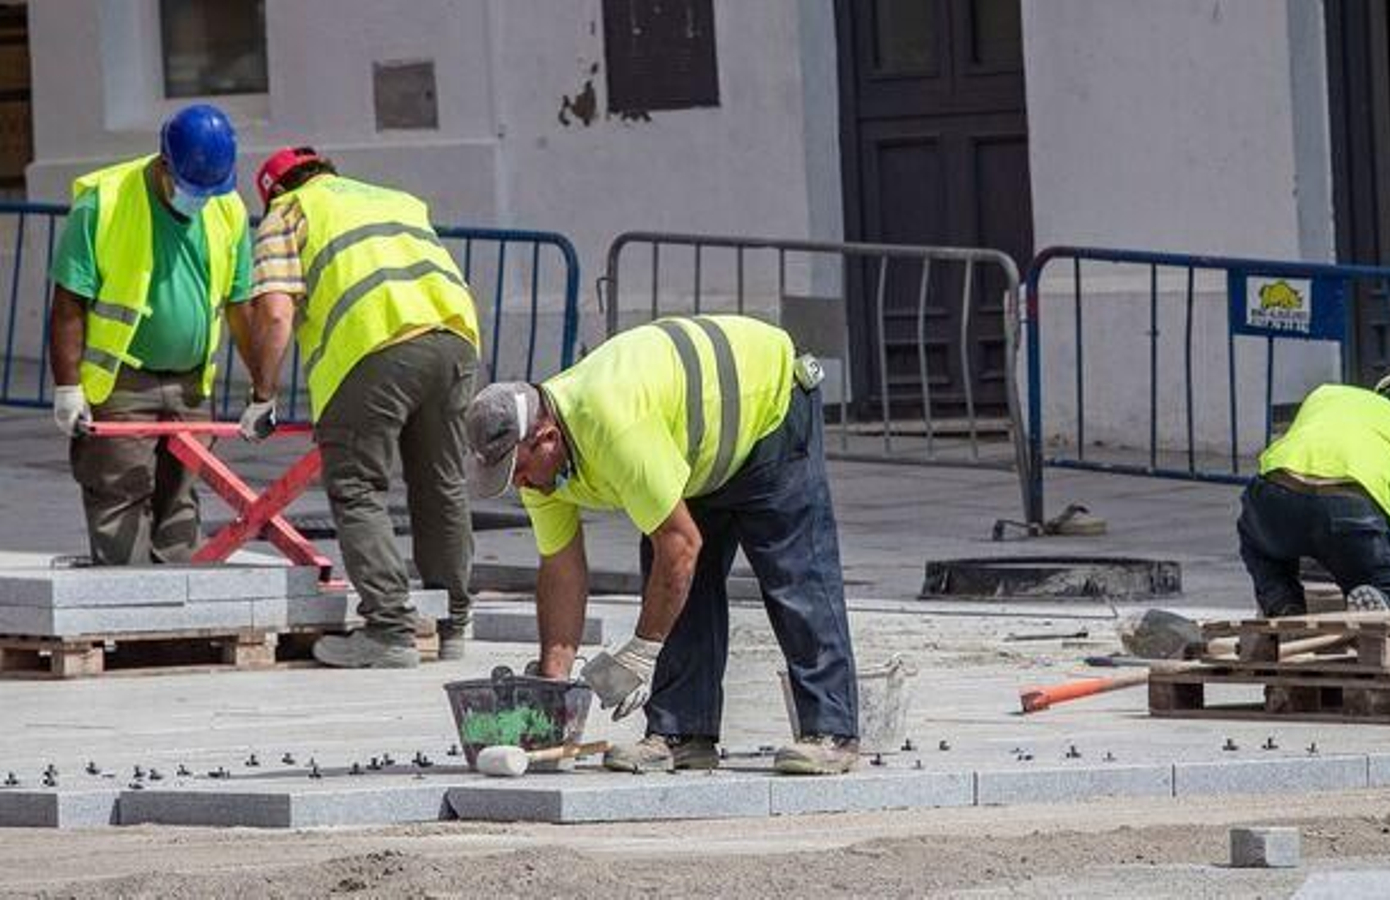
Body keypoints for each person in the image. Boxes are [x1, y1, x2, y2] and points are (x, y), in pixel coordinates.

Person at [465, 314, 861, 775]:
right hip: (695, 444)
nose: (520, 485)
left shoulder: (612, 424)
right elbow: (560, 565)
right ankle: (682, 733)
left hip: (767, 404)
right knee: (671, 577)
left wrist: (641, 651)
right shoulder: (543, 470)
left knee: (794, 573)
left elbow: (680, 545)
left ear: (548, 438)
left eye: (517, 470)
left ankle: (831, 730)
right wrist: (554, 682)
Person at [239, 147, 480, 668]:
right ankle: (453, 624)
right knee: (441, 486)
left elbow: (276, 315)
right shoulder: (396, 200)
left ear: (275, 189)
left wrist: (263, 395)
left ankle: (389, 630)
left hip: (374, 348)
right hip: (454, 341)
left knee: (358, 486)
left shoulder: (289, 212)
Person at [49, 104, 252, 565]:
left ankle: (180, 630)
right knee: (119, 494)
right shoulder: (103, 203)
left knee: (180, 500)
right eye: (189, 186)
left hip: (190, 384)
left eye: (208, 189)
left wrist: (263, 391)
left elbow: (241, 305)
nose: (198, 198)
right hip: (122, 382)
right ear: (165, 165)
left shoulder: (227, 208)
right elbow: (68, 304)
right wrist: (68, 387)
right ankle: (130, 613)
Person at [1237, 374, 1390, 616]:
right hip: (1348, 514)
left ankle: (1282, 603)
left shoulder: (1327, 395)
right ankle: (1384, 603)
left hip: (1271, 498)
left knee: (1261, 545)